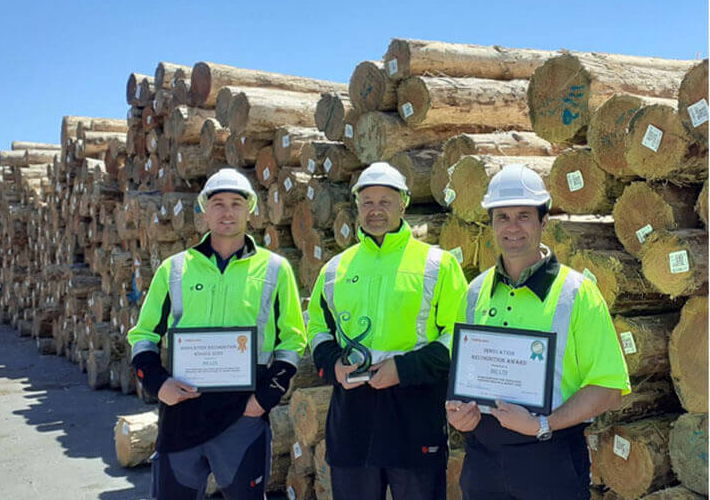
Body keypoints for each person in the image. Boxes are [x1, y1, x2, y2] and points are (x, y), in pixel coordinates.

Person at [445, 164, 630, 500]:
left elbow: (609, 388)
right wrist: (457, 412)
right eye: (502, 217)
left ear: (544, 222)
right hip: (482, 460)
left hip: (550, 458)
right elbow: (462, 377)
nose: (512, 227)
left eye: (523, 216)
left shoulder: (577, 293)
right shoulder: (474, 292)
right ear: (491, 224)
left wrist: (543, 425)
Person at [127, 168, 307, 500]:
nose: (227, 212)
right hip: (182, 412)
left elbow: (293, 340)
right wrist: (157, 384)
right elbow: (143, 336)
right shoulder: (175, 269)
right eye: (218, 203)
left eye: (236, 203)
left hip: (243, 415)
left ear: (250, 210)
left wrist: (264, 399)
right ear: (204, 210)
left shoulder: (275, 269)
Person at [307, 162, 468, 500]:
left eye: (385, 201)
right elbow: (318, 329)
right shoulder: (336, 268)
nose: (375, 210)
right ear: (357, 207)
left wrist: (404, 368)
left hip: (414, 411)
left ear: (404, 204)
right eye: (367, 202)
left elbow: (460, 336)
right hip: (352, 417)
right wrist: (333, 363)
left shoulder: (438, 264)